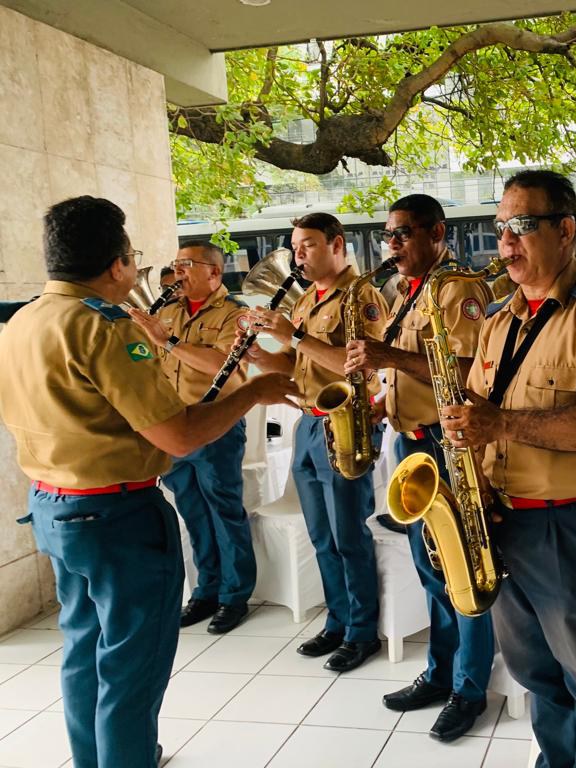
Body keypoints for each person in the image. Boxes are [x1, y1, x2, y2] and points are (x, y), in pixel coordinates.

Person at [0, 196, 295, 768]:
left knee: (83, 650)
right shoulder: (104, 329)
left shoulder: (22, 321)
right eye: (133, 258)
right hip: (117, 520)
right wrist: (254, 392)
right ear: (116, 266)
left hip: (52, 508)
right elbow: (179, 437)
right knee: (131, 668)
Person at [441, 170, 576, 767]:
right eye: (501, 227)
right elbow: (480, 411)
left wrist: (501, 427)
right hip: (504, 523)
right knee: (539, 676)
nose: (505, 242)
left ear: (565, 231)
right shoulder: (500, 318)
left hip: (571, 526)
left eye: (522, 226)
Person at [342, 194, 495, 742]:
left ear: (437, 233)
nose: (393, 244)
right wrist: (381, 394)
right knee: (430, 568)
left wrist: (388, 358)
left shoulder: (459, 289)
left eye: (404, 233)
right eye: (389, 235)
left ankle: (470, 688)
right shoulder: (405, 292)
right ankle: (441, 672)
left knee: (461, 567)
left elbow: (465, 369)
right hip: (410, 443)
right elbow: (409, 371)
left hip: (446, 444)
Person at [242, 212, 387, 673]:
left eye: (306, 245)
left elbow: (361, 367)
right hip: (306, 423)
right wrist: (260, 355)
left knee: (349, 536)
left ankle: (362, 631)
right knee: (321, 536)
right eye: (295, 247)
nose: (297, 255)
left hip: (343, 423)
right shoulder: (305, 301)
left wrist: (295, 335)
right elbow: (293, 365)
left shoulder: (362, 295)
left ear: (336, 244)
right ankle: (338, 620)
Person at [128, 241, 256, 634]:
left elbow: (226, 365)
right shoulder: (165, 311)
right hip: (174, 426)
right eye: (176, 265)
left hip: (215, 424)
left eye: (187, 265)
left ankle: (235, 597)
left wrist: (168, 341)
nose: (178, 272)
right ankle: (206, 590)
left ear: (214, 273)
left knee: (224, 509)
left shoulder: (236, 313)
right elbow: (144, 361)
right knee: (193, 513)